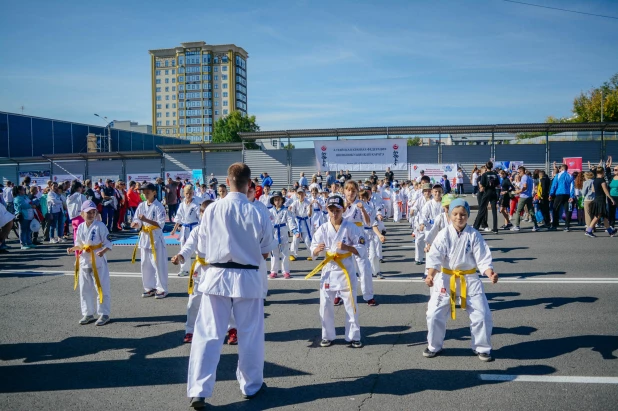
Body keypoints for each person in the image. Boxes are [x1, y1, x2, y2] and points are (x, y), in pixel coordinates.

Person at [187, 163, 276, 409]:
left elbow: (202, 249)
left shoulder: (212, 210)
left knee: (207, 335)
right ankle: (251, 386)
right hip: (248, 279)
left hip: (216, 277)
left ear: (228, 182)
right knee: (250, 336)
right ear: (249, 184)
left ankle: (199, 391)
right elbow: (267, 251)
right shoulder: (258, 211)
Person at [423, 199, 498, 361]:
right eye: (455, 214)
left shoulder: (474, 234)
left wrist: (489, 272)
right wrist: (430, 275)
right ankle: (434, 345)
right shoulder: (443, 234)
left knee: (482, 313)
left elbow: (482, 257)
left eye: (463, 214)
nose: (459, 217)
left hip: (469, 278)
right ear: (449, 215)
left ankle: (482, 347)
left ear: (468, 216)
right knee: (434, 314)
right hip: (445, 277)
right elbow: (435, 257)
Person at [308, 195, 366, 348]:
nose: (334, 214)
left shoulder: (351, 227)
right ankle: (327, 335)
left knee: (350, 304)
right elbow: (313, 247)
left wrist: (347, 248)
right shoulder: (323, 228)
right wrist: (316, 250)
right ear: (327, 210)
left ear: (343, 210)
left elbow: (362, 247)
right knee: (325, 305)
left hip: (346, 269)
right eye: (331, 210)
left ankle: (354, 336)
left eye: (338, 211)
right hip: (328, 271)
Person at [171, 199, 214, 344]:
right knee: (194, 301)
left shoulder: (223, 230)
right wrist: (181, 255)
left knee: (224, 300)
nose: (206, 215)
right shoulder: (197, 230)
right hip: (201, 267)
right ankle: (190, 330)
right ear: (200, 214)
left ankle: (232, 328)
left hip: (217, 269)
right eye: (203, 213)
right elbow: (188, 246)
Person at [66, 200, 112, 326]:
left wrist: (103, 251)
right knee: (84, 289)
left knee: (101, 287)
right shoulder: (80, 227)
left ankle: (104, 313)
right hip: (84, 260)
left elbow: (108, 243)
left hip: (98, 260)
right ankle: (88, 313)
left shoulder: (100, 226)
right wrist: (73, 249)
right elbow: (79, 244)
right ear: (82, 214)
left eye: (93, 212)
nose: (91, 214)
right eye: (88, 212)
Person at [341, 180, 377, 306]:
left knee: (364, 267)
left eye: (353, 190)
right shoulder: (340, 205)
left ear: (357, 192)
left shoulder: (361, 204)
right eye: (348, 190)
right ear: (344, 191)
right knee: (343, 267)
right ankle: (341, 294)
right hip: (344, 236)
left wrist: (363, 211)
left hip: (358, 237)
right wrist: (342, 209)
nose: (350, 193)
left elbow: (368, 223)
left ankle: (368, 295)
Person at [131, 183, 169, 299]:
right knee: (145, 264)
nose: (146, 195)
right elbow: (137, 221)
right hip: (145, 237)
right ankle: (149, 287)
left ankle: (162, 289)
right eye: (144, 193)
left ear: (154, 192)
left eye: (148, 192)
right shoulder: (141, 206)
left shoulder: (159, 206)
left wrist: (146, 219)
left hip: (155, 238)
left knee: (158, 264)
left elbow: (161, 224)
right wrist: (135, 224)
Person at [173, 185, 201, 277]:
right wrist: (174, 229)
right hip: (184, 229)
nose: (188, 195)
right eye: (186, 193)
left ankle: (199, 268)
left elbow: (200, 218)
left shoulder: (196, 204)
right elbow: (178, 218)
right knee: (184, 248)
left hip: (194, 227)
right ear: (184, 194)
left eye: (190, 193)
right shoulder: (182, 204)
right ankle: (184, 269)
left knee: (197, 248)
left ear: (193, 193)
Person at [269, 191, 297, 279]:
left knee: (285, 254)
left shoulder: (285, 211)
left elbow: (290, 221)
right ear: (273, 201)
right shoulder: (270, 211)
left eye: (279, 199)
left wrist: (295, 231)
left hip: (283, 233)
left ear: (282, 200)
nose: (277, 201)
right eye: (275, 200)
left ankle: (285, 271)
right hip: (273, 234)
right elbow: (267, 223)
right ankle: (274, 271)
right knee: (274, 254)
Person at [584, 167, 616, 238]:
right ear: (603, 172)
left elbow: (593, 190)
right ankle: (589, 231)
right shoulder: (602, 180)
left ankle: (610, 231)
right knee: (597, 216)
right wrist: (611, 199)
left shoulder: (595, 180)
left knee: (604, 217)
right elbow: (606, 191)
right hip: (601, 200)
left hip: (596, 199)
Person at [510, 166, 540, 232]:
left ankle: (517, 226)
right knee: (531, 211)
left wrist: (517, 191)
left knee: (518, 211)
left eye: (518, 172)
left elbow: (525, 187)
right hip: (529, 196)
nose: (518, 174)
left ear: (521, 171)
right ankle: (536, 225)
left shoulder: (524, 177)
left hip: (524, 196)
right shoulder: (529, 178)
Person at [473, 161, 499, 234]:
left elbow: (481, 186)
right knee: (494, 210)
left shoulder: (484, 175)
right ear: (492, 166)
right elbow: (498, 185)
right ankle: (495, 228)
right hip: (494, 192)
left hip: (487, 192)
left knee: (482, 208)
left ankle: (476, 226)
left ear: (486, 167)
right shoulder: (495, 174)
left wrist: (482, 187)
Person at [548, 163, 574, 232]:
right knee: (568, 211)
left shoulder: (558, 175)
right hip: (567, 195)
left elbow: (554, 185)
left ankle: (554, 225)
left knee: (555, 209)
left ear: (562, 169)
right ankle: (567, 226)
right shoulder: (570, 176)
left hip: (559, 194)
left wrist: (551, 194)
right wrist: (572, 196)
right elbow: (572, 187)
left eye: (560, 168)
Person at [289, 187, 313, 261]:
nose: (301, 195)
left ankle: (312, 254)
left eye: (302, 193)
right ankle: (293, 254)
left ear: (304, 194)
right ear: (297, 195)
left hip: (305, 223)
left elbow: (309, 215)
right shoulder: (295, 202)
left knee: (307, 241)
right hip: (297, 223)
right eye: (299, 194)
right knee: (295, 239)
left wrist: (311, 208)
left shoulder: (308, 202)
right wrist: (290, 209)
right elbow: (291, 211)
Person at [13, 185, 35, 250]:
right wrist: (31, 206)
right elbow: (24, 205)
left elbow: (30, 202)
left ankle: (29, 242)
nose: (24, 190)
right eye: (22, 189)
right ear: (19, 191)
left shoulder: (25, 196)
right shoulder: (17, 198)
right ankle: (23, 244)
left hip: (29, 215)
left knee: (28, 230)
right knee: (23, 230)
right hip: (23, 216)